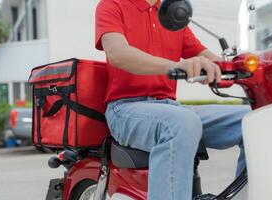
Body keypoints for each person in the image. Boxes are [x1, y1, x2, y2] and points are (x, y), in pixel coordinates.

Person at [95, 0, 250, 199]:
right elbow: (118, 54)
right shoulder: (112, 5)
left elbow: (206, 56)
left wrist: (240, 67)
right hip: (125, 108)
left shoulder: (172, 12)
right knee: (181, 123)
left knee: (255, 119)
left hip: (171, 107)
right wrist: (175, 66)